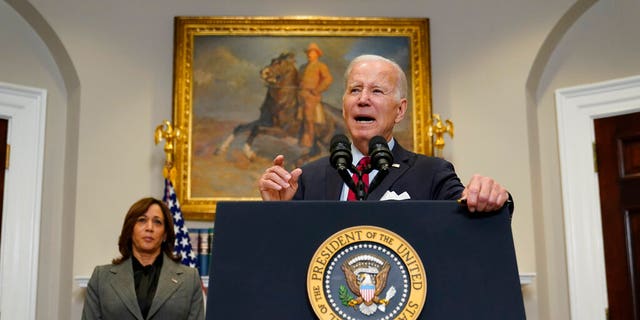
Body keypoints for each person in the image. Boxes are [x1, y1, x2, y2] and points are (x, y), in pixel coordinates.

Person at [258, 54, 511, 213]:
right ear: (344, 105)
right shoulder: (307, 178)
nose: (363, 99)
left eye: (377, 91)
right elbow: (282, 257)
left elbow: (469, 213)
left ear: (400, 111)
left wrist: (491, 197)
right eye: (355, 90)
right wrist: (276, 211)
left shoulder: (432, 174)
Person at [82, 197, 204, 320]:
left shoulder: (190, 279)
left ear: (165, 234)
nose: (149, 228)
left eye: (157, 222)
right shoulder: (101, 278)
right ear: (130, 230)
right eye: (142, 220)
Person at [297, 42, 333, 149]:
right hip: (299, 94)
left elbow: (328, 79)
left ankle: (309, 141)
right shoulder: (303, 67)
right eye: (308, 53)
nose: (309, 55)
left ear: (317, 54)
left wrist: (317, 90)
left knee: (308, 115)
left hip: (311, 96)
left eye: (312, 53)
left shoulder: (321, 66)